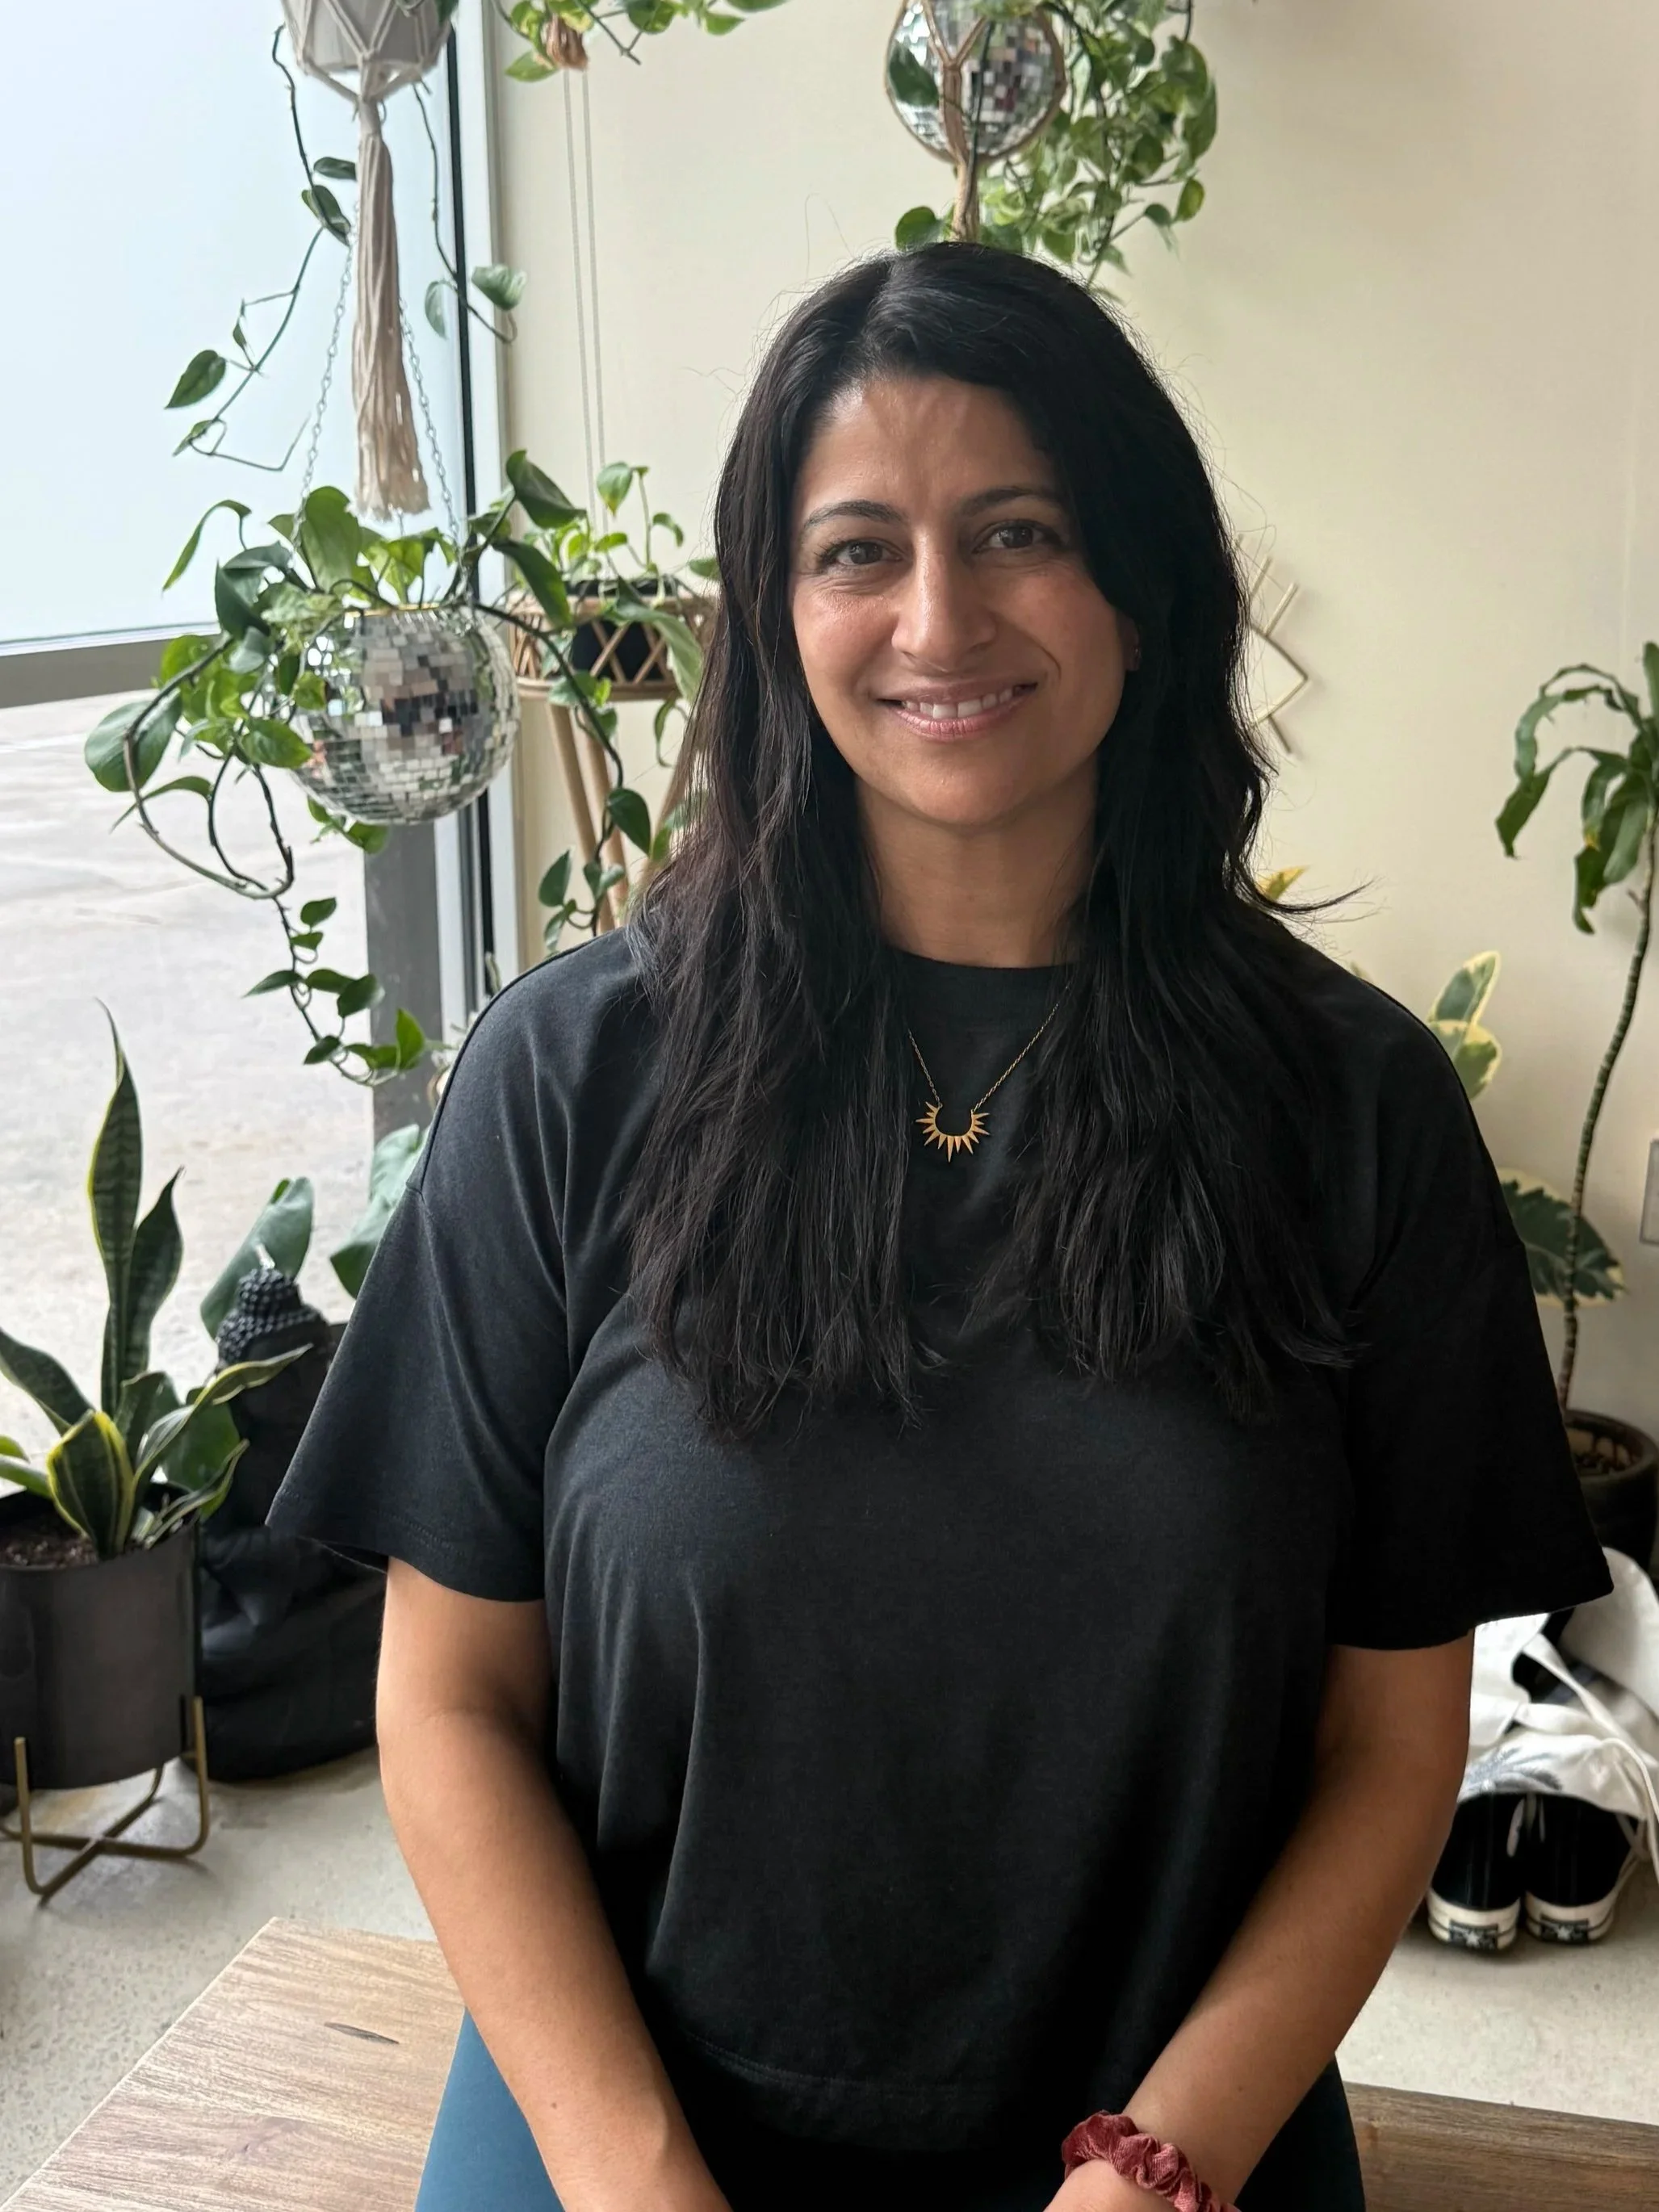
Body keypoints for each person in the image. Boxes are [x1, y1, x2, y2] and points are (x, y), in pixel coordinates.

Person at [270, 242, 1611, 2212]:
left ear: (1141, 588)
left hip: (1165, 2128)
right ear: (772, 611)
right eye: (852, 550)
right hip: (622, 2100)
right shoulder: (571, 1072)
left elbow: (1391, 1737)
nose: (935, 617)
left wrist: (1160, 2159)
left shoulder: (1351, 1105)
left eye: (1017, 531)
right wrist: (637, 2175)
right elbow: (451, 1699)